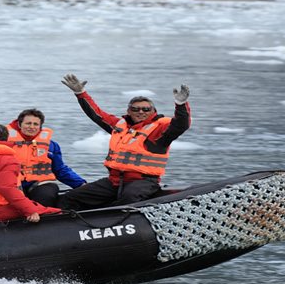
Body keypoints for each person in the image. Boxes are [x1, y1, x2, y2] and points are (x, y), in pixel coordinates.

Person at [58, 73, 192, 210]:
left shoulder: (159, 130)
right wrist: (80, 93)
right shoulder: (119, 126)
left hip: (143, 182)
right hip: (114, 181)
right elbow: (97, 115)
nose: (141, 112)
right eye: (135, 109)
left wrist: (181, 105)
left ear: (153, 111)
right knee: (72, 197)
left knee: (127, 200)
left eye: (146, 109)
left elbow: (181, 125)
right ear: (129, 111)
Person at [0, 108, 86, 207]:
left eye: (36, 124)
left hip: (40, 184)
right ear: (20, 124)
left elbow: (60, 170)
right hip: (12, 184)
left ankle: (44, 221)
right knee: (11, 199)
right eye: (28, 123)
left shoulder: (51, 145)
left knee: (46, 196)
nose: (32, 127)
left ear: (40, 126)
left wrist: (81, 184)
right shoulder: (3, 140)